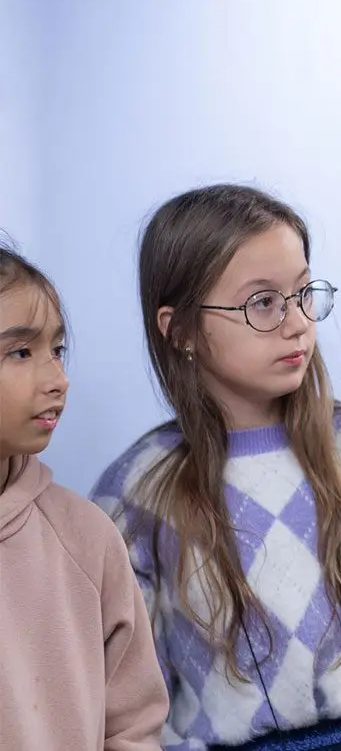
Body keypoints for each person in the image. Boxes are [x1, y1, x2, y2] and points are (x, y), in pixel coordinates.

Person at [90, 185, 341, 751]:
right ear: (178, 331)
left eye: (303, 293)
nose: (298, 322)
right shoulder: (137, 493)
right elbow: (132, 707)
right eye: (263, 302)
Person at [0, 243, 168, 750]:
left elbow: (134, 727)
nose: (58, 380)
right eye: (20, 352)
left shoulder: (87, 538)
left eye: (58, 350)